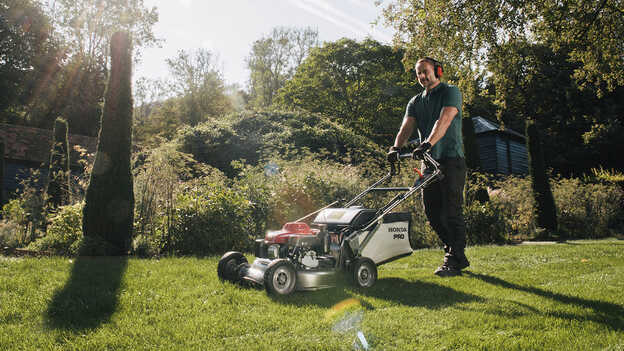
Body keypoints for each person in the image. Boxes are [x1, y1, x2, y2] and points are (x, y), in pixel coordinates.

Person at [387, 57, 469, 277]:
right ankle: (455, 252)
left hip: (451, 160)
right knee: (432, 212)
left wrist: (427, 143)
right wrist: (395, 147)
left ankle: (453, 258)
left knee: (452, 211)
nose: (422, 76)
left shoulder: (450, 92)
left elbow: (444, 119)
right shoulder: (415, 101)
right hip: (429, 163)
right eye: (418, 74)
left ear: (437, 71)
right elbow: (407, 126)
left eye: (425, 71)